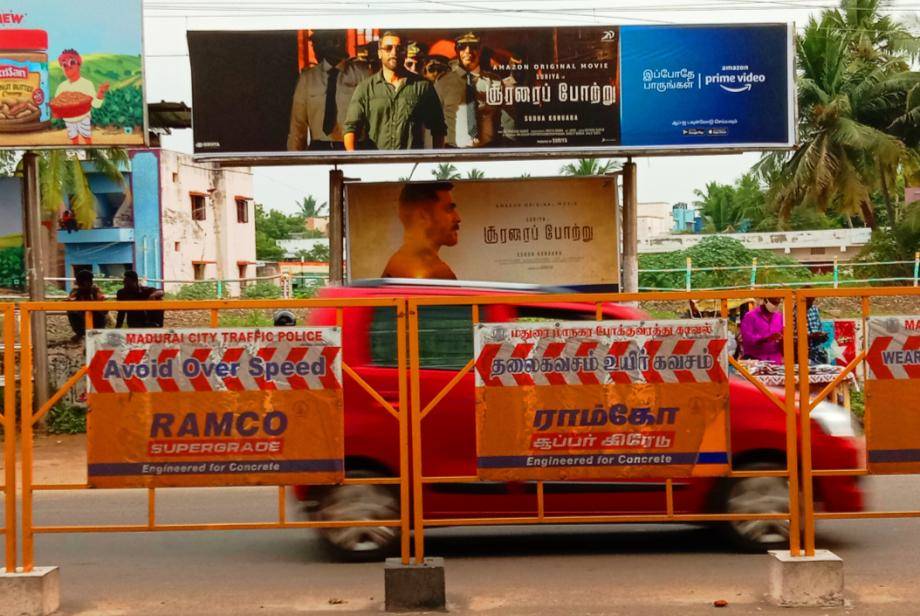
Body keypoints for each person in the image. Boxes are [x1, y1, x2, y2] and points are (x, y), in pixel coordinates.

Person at [343, 32, 447, 150]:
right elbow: (350, 128)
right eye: (388, 48)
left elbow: (438, 128)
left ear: (405, 52)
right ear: (379, 53)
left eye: (399, 48)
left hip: (412, 162)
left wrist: (436, 160)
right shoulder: (365, 88)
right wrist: (354, 160)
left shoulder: (422, 86)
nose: (394, 52)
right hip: (376, 162)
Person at [287, 31, 372, 151]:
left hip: (354, 148)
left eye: (323, 42)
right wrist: (294, 163)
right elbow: (297, 128)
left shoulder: (361, 74)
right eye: (315, 44)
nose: (317, 49)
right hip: (320, 148)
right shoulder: (308, 78)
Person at [434, 32, 506, 148]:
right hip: (454, 150)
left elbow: (502, 120)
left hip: (488, 149)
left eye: (473, 47)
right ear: (456, 50)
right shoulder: (443, 83)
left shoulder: (495, 82)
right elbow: (435, 124)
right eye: (462, 47)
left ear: (480, 49)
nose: (468, 51)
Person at [381, 182, 460, 279]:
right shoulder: (435, 273)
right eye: (448, 209)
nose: (457, 218)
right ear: (422, 216)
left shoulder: (397, 261)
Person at [54, 49, 109, 145]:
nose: (68, 66)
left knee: (87, 138)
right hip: (69, 120)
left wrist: (100, 93)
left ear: (79, 64)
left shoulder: (87, 84)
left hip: (83, 118)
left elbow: (95, 104)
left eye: (72, 62)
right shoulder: (61, 87)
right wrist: (56, 112)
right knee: (74, 139)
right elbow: (57, 105)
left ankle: (90, 153)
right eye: (64, 64)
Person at [740, 297, 784, 364]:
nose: (775, 306)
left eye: (777, 303)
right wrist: (767, 338)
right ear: (766, 300)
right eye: (773, 303)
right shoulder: (750, 316)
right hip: (755, 360)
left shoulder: (779, 317)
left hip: (775, 361)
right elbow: (747, 339)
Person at [67, 269, 107, 342]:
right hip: (81, 317)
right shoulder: (75, 292)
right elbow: (70, 305)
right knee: (71, 312)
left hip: (97, 318)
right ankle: (80, 333)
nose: (91, 282)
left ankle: (97, 333)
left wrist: (95, 306)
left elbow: (105, 309)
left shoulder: (95, 291)